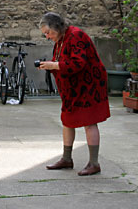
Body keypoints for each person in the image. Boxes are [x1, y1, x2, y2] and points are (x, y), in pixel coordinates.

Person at [38, 12, 110, 176]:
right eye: (45, 34)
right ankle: (67, 158)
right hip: (73, 88)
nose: (48, 37)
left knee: (89, 121)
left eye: (48, 33)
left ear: (57, 27)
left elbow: (78, 63)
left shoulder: (76, 36)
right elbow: (61, 62)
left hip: (88, 85)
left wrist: (54, 66)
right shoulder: (61, 39)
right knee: (68, 119)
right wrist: (50, 66)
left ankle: (94, 163)